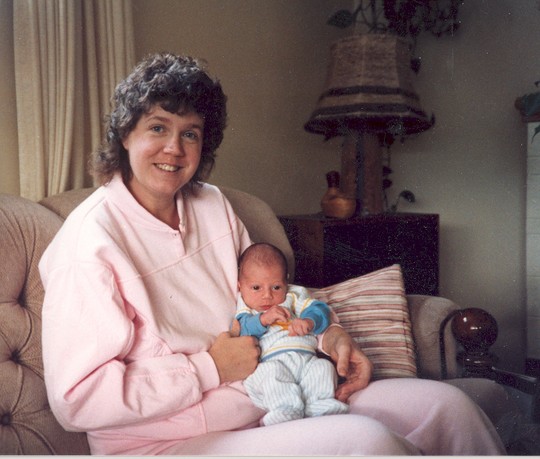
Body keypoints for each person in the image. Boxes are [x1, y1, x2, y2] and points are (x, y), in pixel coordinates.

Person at [39, 52, 506, 455]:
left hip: (274, 392)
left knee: (450, 408)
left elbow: (268, 297)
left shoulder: (212, 204)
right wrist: (209, 368)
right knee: (368, 443)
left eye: (191, 133)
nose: (174, 149)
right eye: (157, 127)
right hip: (165, 442)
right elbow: (77, 400)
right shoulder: (88, 244)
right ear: (125, 135)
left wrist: (332, 337)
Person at [236, 242, 349, 425]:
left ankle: (318, 405)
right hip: (272, 362)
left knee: (323, 367)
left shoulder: (293, 296)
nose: (267, 296)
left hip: (306, 360)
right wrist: (263, 319)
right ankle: (285, 410)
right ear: (240, 286)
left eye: (276, 287)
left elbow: (320, 310)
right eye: (256, 287)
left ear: (286, 282)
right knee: (271, 374)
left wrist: (309, 321)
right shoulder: (246, 307)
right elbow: (243, 329)